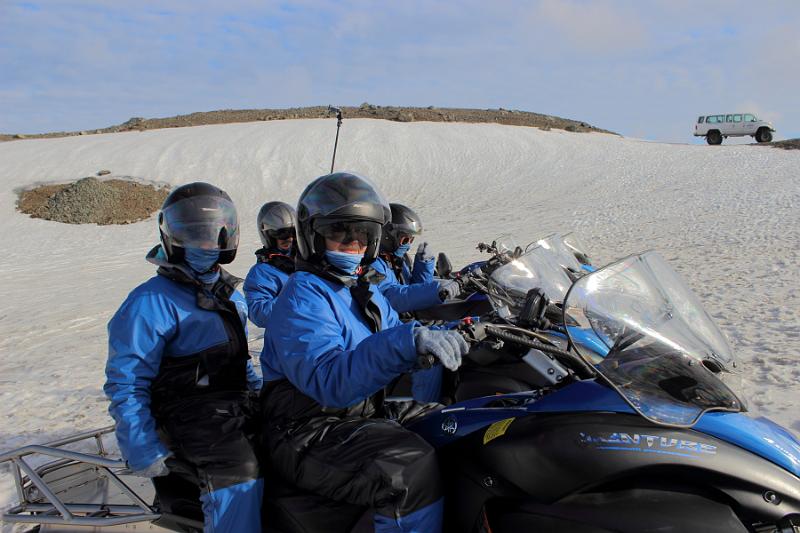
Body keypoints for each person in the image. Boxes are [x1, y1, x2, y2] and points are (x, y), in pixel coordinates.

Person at [260, 172, 470, 533]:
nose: (353, 244)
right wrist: (407, 343)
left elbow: (398, 333)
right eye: (340, 233)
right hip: (306, 428)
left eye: (362, 235)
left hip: (360, 412)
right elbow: (329, 381)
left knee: (460, 425)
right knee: (406, 469)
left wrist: (457, 333)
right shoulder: (302, 295)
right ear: (313, 236)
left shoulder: (364, 292)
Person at [104, 182, 263, 532]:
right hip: (185, 414)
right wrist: (140, 445)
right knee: (238, 470)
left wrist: (265, 392)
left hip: (234, 406)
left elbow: (240, 362)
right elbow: (126, 381)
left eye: (212, 236)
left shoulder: (230, 297)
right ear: (172, 238)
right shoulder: (150, 302)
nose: (205, 245)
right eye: (194, 235)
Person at [373, 203, 461, 314]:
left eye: (411, 240)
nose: (408, 245)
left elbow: (412, 290)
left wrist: (424, 267)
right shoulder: (373, 264)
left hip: (410, 314)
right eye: (405, 240)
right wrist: (436, 290)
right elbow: (393, 298)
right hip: (395, 322)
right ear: (387, 236)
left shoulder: (397, 259)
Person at [243, 201, 296, 328]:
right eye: (281, 234)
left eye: (292, 232)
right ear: (269, 236)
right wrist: (300, 297)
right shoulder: (262, 272)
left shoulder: (309, 260)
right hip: (291, 339)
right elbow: (259, 313)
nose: (288, 238)